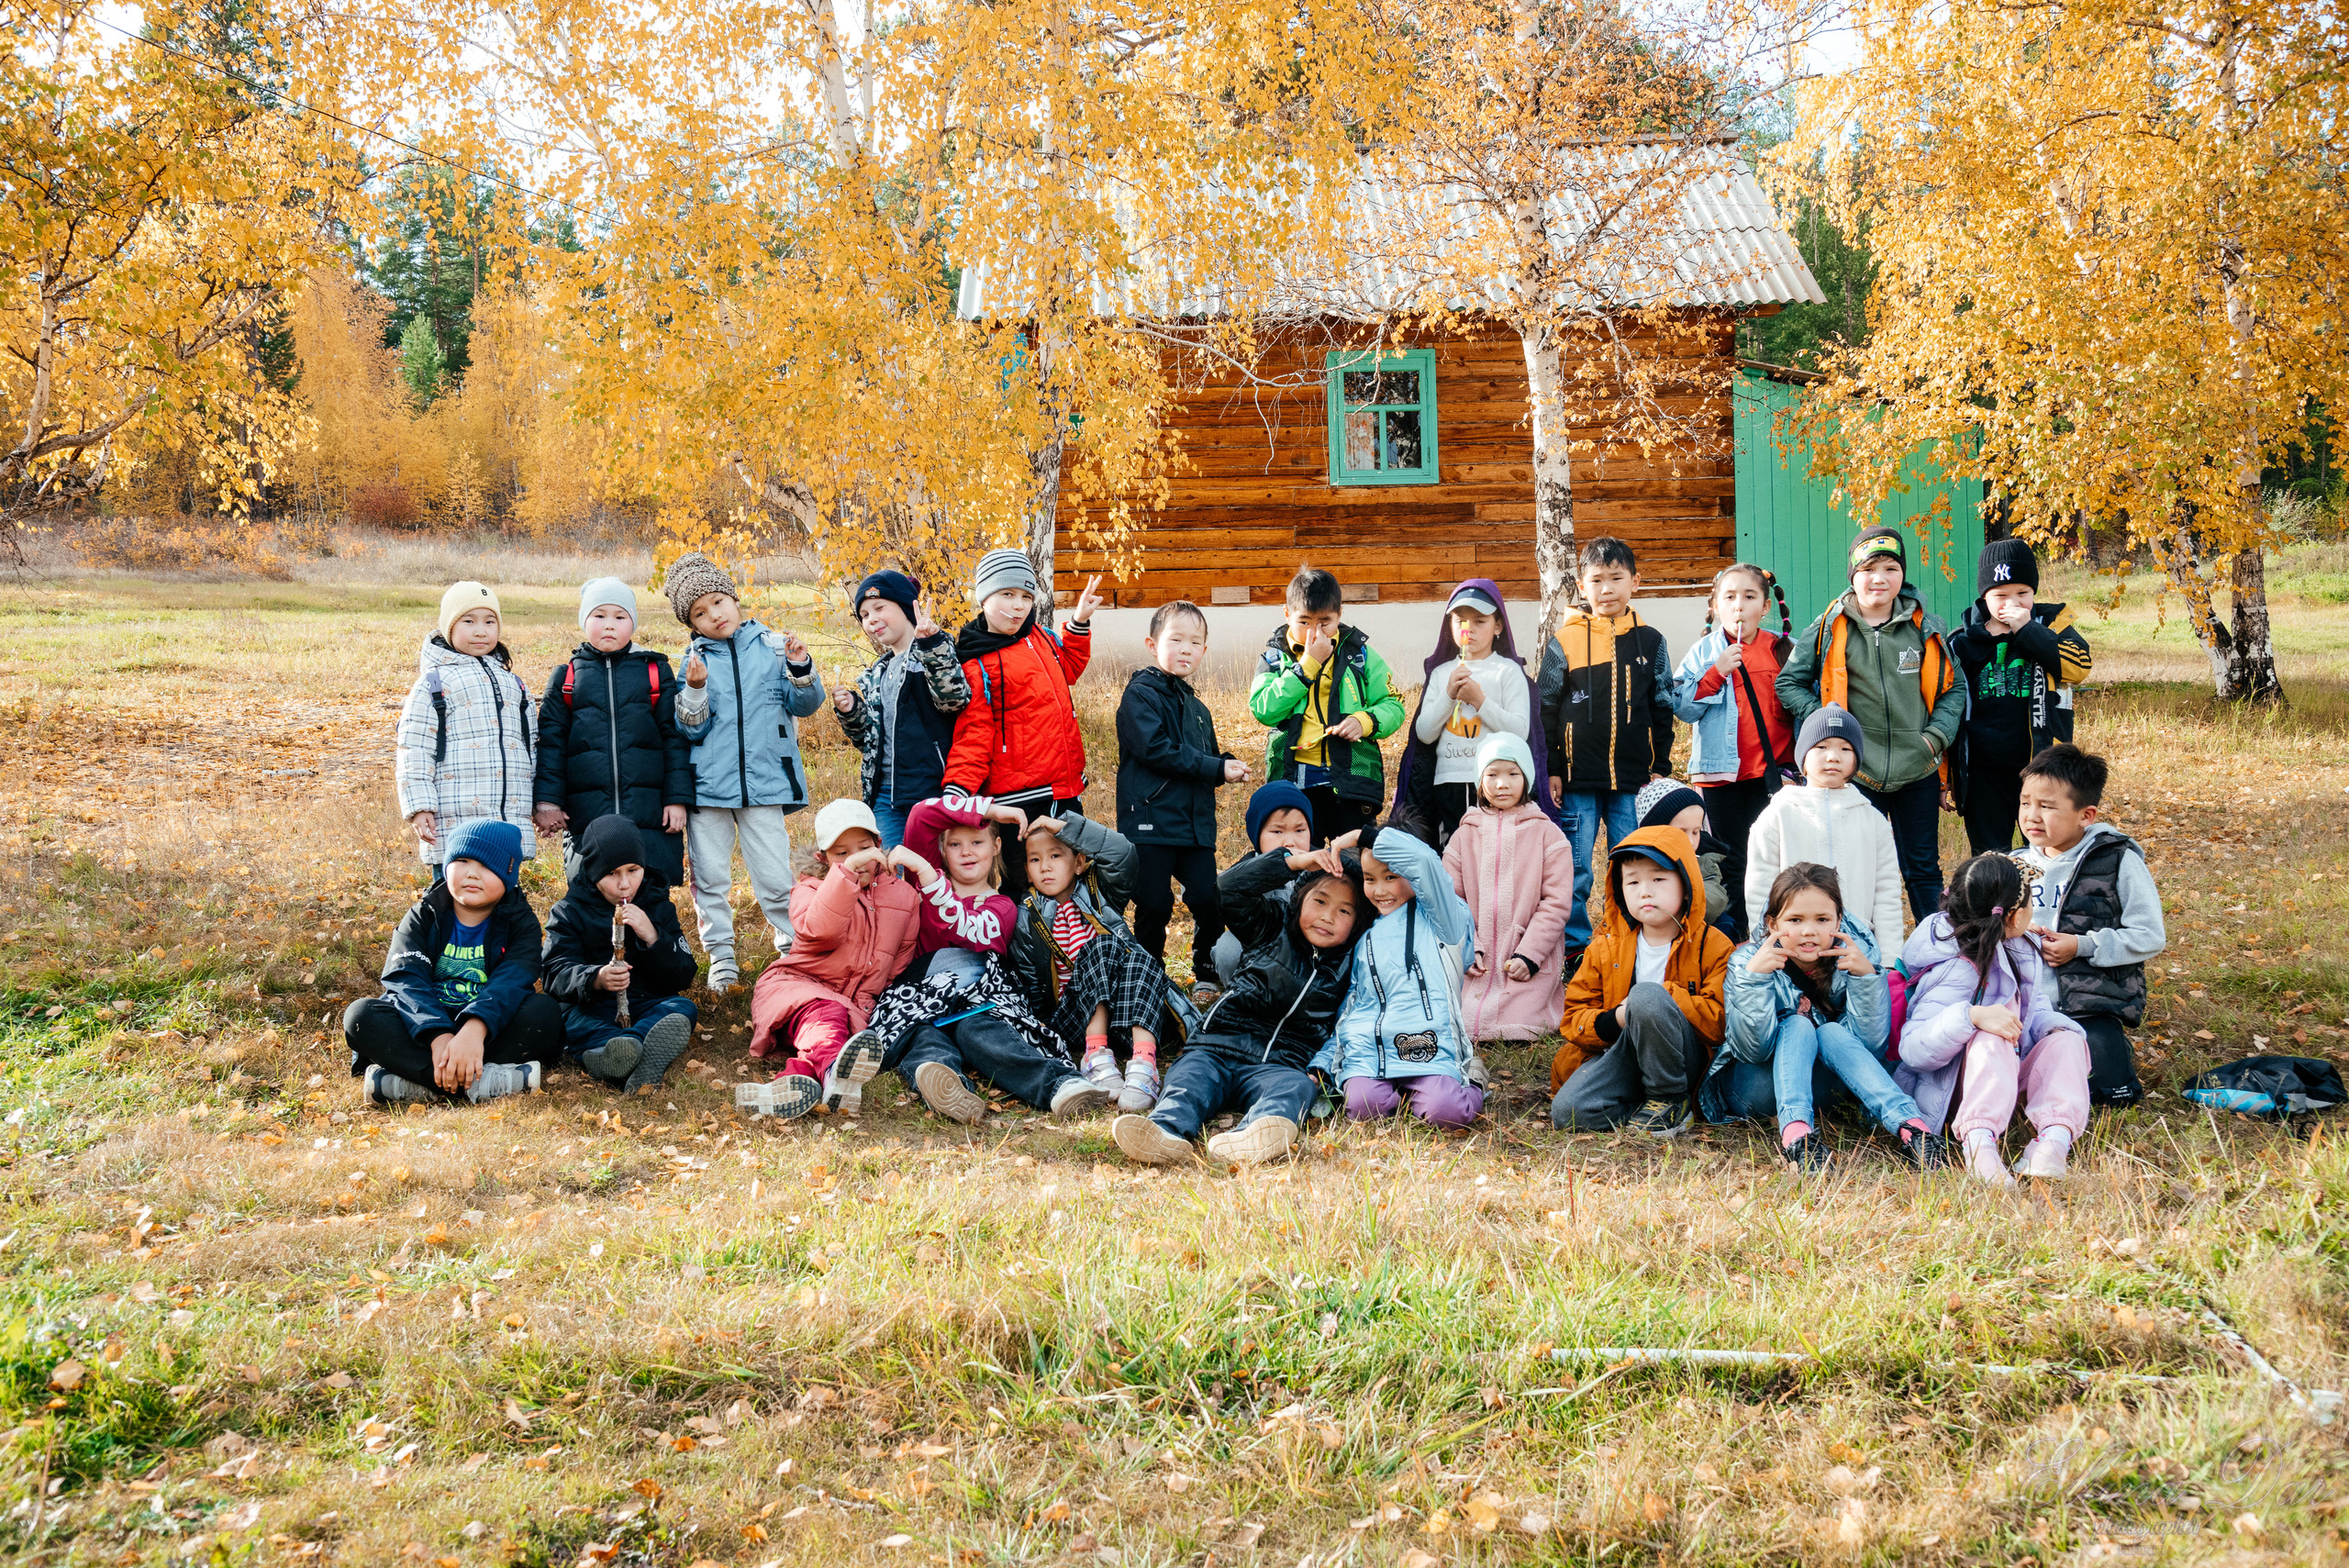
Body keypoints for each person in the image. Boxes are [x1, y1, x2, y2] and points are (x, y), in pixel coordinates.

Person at [850, 795, 1115, 1123]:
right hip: (921, 997)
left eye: (977, 842)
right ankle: (949, 1088)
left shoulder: (1003, 906)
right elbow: (921, 814)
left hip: (980, 998)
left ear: (996, 846)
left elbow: (966, 929)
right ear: (943, 850)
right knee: (922, 1038)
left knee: (978, 1032)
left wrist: (926, 874)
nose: (966, 852)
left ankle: (1059, 1085)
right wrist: (992, 811)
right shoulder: (926, 880)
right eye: (955, 844)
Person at [1110, 845, 1365, 1166]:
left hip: (1283, 1063)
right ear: (1300, 899)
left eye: (1345, 911)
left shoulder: (1352, 961)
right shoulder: (1271, 924)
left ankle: (1253, 1137)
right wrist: (1293, 862)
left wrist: (1319, 1071)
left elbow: (1347, 1023)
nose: (1328, 917)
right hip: (1219, 1046)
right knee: (1188, 1079)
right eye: (1320, 901)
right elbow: (1228, 888)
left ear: (1358, 922)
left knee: (1296, 1088)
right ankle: (1164, 1132)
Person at [1779, 526, 1965, 927]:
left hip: (1918, 768)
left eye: (1890, 568)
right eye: (1868, 569)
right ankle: (1859, 951)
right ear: (1853, 575)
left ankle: (1935, 950)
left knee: (1923, 869)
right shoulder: (1828, 627)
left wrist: (1933, 739)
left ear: (1902, 575)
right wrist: (1829, 723)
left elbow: (1954, 689)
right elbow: (1788, 683)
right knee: (1853, 871)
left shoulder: (1926, 627)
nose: (1879, 578)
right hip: (1857, 772)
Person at [1707, 862, 1945, 1173]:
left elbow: (1868, 1048)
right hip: (1759, 1090)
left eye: (1822, 919)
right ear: (1772, 923)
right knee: (1796, 1024)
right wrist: (1754, 981)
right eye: (1795, 920)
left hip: (1831, 1087)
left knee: (1831, 1033)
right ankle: (1797, 1137)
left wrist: (1865, 980)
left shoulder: (1855, 958)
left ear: (1838, 920)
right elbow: (1752, 1050)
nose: (1809, 931)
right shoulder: (1747, 963)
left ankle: (1914, 1130)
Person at [665, 553, 827, 993]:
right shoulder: (692, 661)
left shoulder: (774, 647)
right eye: (700, 613)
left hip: (765, 784)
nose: (714, 615)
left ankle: (791, 948)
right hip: (708, 790)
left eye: (718, 602)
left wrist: (800, 667)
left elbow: (805, 705)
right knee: (710, 878)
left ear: (734, 599)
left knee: (774, 876)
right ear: (691, 624)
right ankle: (721, 956)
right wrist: (695, 689)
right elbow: (690, 729)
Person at [1898, 852, 2092, 1186]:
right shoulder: (1956, 969)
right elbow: (1913, 1050)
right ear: (2014, 916)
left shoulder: (2018, 946)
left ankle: (2053, 1141)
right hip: (1955, 1089)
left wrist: (2053, 1029)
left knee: (2066, 1040)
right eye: (2031, 902)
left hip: (2006, 1073)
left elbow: (2033, 1008)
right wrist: (1970, 1016)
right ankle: (1979, 1148)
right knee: (1993, 1035)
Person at [343, 821, 558, 1106]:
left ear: (508, 875)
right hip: (424, 1029)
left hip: (488, 1030)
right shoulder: (423, 914)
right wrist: (438, 1035)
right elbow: (405, 978)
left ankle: (416, 1082)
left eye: (487, 865)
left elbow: (513, 979)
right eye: (463, 860)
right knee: (360, 1016)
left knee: (545, 1013)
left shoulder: (521, 922)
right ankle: (484, 1082)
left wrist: (475, 1029)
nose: (472, 873)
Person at [1537, 538, 1677, 969]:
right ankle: (1575, 947)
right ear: (1582, 586)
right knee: (1576, 867)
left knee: (1631, 865)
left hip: (1633, 781)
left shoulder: (1651, 642)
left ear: (1635, 582)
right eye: (1597, 580)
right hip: (1577, 779)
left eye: (1617, 578)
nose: (1607, 589)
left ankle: (1627, 940)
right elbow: (1546, 709)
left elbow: (1663, 706)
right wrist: (1554, 768)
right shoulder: (1564, 641)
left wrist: (1660, 766)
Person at [1008, 814, 1201, 1114]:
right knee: (1101, 947)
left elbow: (1123, 853)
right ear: (1027, 871)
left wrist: (1068, 828)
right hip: (1074, 1019)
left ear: (1079, 863)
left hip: (1126, 1016)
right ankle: (1095, 1056)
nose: (1045, 867)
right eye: (1035, 860)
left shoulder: (1100, 892)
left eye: (1055, 855)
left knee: (1136, 953)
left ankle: (1144, 1064)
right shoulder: (1026, 917)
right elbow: (1031, 983)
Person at [744, 799, 924, 1119]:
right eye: (842, 853)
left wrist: (871, 1009)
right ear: (823, 859)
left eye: (864, 848)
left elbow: (897, 967)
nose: (857, 859)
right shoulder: (810, 890)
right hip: (799, 992)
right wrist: (845, 876)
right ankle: (834, 1074)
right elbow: (821, 931)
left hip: (855, 1008)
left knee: (833, 1027)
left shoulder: (904, 897)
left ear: (879, 845)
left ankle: (790, 1084)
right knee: (827, 1016)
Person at [1549, 828, 1734, 1136]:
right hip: (1624, 1053)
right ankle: (1645, 1107)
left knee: (1647, 995)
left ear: (1687, 885)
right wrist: (1618, 1018)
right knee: (1568, 1112)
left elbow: (1720, 1023)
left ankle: (1669, 1099)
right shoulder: (1605, 947)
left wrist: (1664, 996)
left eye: (1658, 879)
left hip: (1684, 1061)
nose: (1645, 891)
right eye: (1633, 882)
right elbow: (1574, 1019)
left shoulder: (1713, 945)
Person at [944, 549, 1107, 901]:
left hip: (1064, 790)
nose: (1019, 606)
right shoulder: (976, 661)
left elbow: (1068, 668)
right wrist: (957, 792)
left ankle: (1072, 934)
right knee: (1023, 886)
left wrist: (1079, 621)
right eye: (1008, 594)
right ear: (984, 597)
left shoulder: (1040, 637)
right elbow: (973, 734)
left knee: (1072, 879)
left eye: (1026, 597)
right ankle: (1019, 937)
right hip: (1018, 801)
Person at [2015, 744, 2163, 1109]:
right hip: (2018, 1004)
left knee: (2110, 1095)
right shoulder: (2011, 865)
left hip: (2086, 1005)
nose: (2032, 816)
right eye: (2025, 803)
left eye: (2047, 806)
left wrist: (2081, 946)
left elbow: (2149, 936)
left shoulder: (2117, 860)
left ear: (2086, 815)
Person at [1314, 811, 1483, 1129]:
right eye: (1370, 879)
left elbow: (1424, 861)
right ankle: (1406, 1096)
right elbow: (1353, 1008)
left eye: (1391, 877)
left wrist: (1362, 836)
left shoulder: (1444, 919)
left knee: (1447, 1113)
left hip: (1428, 1048)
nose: (1379, 890)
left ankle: (1470, 1082)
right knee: (1363, 1108)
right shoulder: (1366, 939)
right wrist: (1323, 1063)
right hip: (1371, 1053)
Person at [1116, 600, 1244, 1005]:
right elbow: (1156, 749)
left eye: (1195, 642)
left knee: (1208, 898)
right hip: (1151, 821)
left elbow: (1205, 759)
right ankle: (1148, 975)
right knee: (1153, 904)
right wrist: (1214, 767)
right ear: (1153, 645)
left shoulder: (1199, 708)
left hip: (1195, 825)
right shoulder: (1140, 695)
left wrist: (1226, 765)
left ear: (1204, 650)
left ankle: (1206, 972)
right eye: (1176, 640)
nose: (1185, 649)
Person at [533, 578, 690, 886]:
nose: (609, 624)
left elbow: (675, 738)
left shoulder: (655, 672)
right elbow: (551, 743)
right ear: (584, 620)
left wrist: (677, 798)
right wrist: (548, 802)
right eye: (599, 615)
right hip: (588, 813)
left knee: (651, 891)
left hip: (649, 813)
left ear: (632, 623)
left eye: (620, 616)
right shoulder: (567, 677)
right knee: (591, 890)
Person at [1669, 562, 1797, 935]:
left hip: (1773, 775)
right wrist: (1717, 671)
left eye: (1749, 596)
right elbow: (1682, 707)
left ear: (1766, 606)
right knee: (1731, 857)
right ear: (1716, 606)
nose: (1739, 605)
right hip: (1719, 776)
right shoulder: (1703, 651)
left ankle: (1774, 930)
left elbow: (1803, 707)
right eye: (1729, 597)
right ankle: (1735, 934)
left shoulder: (1782, 650)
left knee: (1773, 855)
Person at [1249, 564, 1408, 847]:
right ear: (1287, 614)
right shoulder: (1275, 658)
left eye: (1325, 622)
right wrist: (1307, 665)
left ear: (1339, 615)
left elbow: (1393, 704)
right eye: (1304, 622)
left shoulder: (1359, 654)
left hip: (1351, 780)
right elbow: (1264, 709)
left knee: (1353, 861)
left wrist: (1364, 721)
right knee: (1299, 862)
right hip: (1293, 781)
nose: (1315, 632)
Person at [1952, 539, 2094, 854]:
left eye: (2022, 593)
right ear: (1984, 597)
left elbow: (2078, 668)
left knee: (2048, 849)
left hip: (2042, 765)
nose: (2012, 603)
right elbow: (1949, 707)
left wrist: (2028, 630)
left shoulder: (2052, 628)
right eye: (2000, 595)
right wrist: (1948, 775)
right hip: (1984, 771)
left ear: (2034, 592)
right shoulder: (1963, 642)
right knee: (1990, 857)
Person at [540, 815, 700, 1093]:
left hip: (645, 1003)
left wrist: (653, 937)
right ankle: (614, 1053)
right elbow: (553, 974)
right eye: (612, 873)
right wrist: (595, 978)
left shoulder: (658, 906)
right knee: (574, 1024)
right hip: (591, 1008)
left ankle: (629, 1047)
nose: (625, 884)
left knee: (683, 1008)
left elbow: (684, 974)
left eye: (633, 870)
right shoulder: (569, 911)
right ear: (593, 872)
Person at [1743, 705, 1908, 962]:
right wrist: (1766, 947)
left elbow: (1886, 894)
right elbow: (1759, 888)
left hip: (1856, 952)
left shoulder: (1873, 821)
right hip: (1793, 951)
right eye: (1821, 747)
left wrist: (1889, 960)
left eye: (1845, 749)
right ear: (1803, 756)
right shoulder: (1778, 815)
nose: (1833, 756)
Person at [396, 580, 539, 874]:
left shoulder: (514, 684)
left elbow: (531, 747)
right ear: (449, 628)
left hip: (508, 825)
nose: (480, 631)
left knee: (505, 897)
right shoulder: (434, 683)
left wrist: (539, 802)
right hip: (455, 826)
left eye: (490, 621)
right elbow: (414, 746)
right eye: (469, 621)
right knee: (452, 896)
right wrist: (420, 806)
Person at [1444, 734, 1575, 1044]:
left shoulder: (1548, 835)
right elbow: (1451, 900)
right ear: (1480, 780)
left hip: (1526, 960)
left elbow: (1556, 903)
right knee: (1454, 1015)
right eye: (1492, 774)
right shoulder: (1463, 837)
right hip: (1475, 963)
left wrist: (1530, 955)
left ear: (1527, 778)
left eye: (1513, 774)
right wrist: (1468, 948)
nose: (1502, 784)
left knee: (1523, 1020)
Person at [1394, 579, 1541, 846]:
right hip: (1449, 780)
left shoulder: (1507, 671)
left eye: (1480, 621)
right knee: (1455, 849)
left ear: (1498, 626)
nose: (1468, 629)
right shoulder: (1441, 673)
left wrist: (1479, 701)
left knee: (1496, 845)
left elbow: (1520, 731)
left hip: (1496, 782)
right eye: (1460, 621)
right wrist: (1449, 695)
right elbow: (1424, 733)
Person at [832, 570, 970, 849]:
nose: (872, 619)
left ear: (907, 607)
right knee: (891, 867)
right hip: (885, 794)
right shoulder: (878, 673)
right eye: (864, 615)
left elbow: (953, 699)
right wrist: (852, 712)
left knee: (934, 866)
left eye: (879, 608)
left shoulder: (933, 653)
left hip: (931, 788)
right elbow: (869, 742)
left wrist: (930, 646)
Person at [1206, 781, 1321, 986]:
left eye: (1299, 830)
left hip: (1310, 949)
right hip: (1260, 946)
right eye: (1277, 832)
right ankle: (1241, 993)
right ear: (1257, 835)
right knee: (1227, 949)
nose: (1289, 842)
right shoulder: (1245, 871)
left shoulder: (1320, 868)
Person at [1632, 779, 1736, 939]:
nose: (1690, 841)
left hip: (1693, 930)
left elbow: (1714, 900)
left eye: (1696, 832)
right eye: (1681, 832)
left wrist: (1683, 897)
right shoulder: (1633, 862)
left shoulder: (1703, 860)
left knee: (1725, 924)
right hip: (1650, 932)